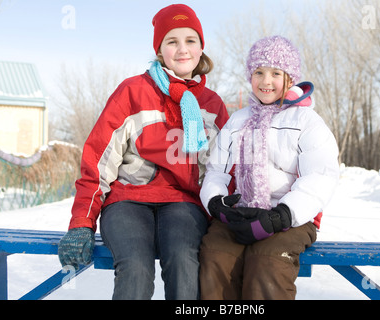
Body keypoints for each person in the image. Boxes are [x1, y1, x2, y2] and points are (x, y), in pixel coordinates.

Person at [57, 4, 229, 300]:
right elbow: (99, 159)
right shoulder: (133, 91)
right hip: (128, 200)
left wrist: (228, 220)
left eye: (190, 40)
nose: (182, 49)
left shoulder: (212, 105)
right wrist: (82, 222)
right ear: (160, 50)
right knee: (136, 267)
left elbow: (225, 171)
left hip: (183, 202)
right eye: (172, 41)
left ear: (201, 47)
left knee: (184, 263)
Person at [199, 36, 340, 300]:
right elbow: (216, 171)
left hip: (291, 218)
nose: (266, 81)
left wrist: (282, 215)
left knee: (266, 261)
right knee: (216, 255)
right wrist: (216, 202)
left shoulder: (306, 121)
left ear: (290, 78)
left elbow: (321, 176)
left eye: (276, 73)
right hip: (242, 212)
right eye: (258, 72)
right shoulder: (238, 121)